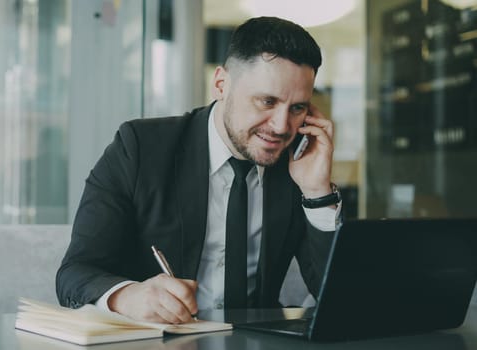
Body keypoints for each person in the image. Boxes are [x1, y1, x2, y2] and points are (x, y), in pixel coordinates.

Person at [56, 16, 341, 325]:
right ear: (221, 84)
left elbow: (339, 296)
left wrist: (316, 193)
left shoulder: (296, 167)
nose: (281, 126)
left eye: (297, 108)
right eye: (266, 101)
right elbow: (75, 273)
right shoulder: (140, 148)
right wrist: (128, 297)